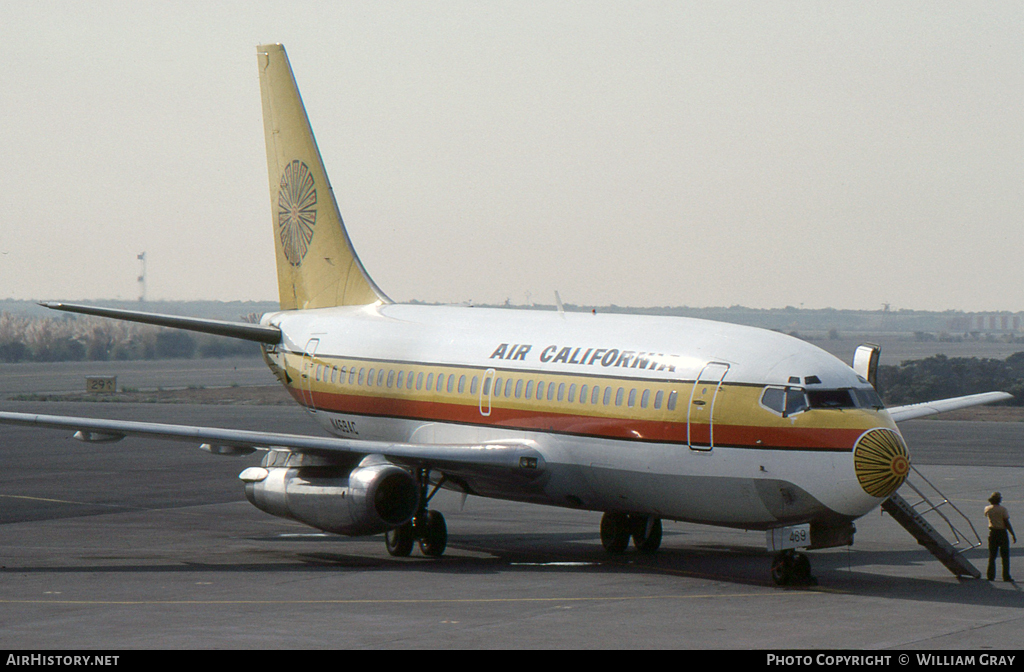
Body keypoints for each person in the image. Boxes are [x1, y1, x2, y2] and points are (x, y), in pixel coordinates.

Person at [984, 492, 1016, 582]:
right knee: (1005, 556)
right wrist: (1012, 534)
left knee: (992, 556)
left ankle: (990, 575)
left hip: (992, 533)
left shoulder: (987, 509)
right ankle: (1006, 576)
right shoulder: (1003, 509)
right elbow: (1006, 522)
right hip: (1002, 533)